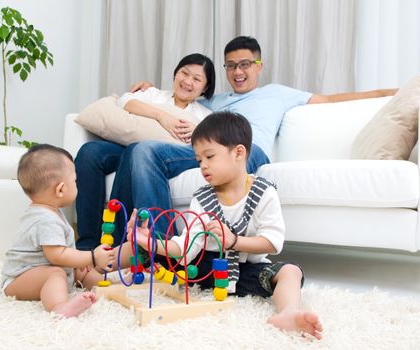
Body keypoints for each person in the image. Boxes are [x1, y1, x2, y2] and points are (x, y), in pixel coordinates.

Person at [103, 36, 397, 242]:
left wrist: (383, 94)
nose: (238, 71)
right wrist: (152, 90)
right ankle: (126, 248)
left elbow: (330, 99)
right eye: (231, 66)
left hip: (250, 152)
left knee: (144, 152)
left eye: (245, 64)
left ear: (259, 65)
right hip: (210, 153)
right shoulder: (212, 102)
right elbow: (185, 97)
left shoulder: (278, 93)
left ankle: (163, 252)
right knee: (139, 151)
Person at [131, 111, 322, 339]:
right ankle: (100, 264)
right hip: (202, 269)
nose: (203, 166)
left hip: (244, 271)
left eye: (210, 157)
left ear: (238, 153)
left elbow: (273, 242)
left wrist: (234, 241)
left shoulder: (264, 193)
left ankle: (289, 312)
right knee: (146, 250)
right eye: (199, 160)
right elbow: (185, 248)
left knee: (290, 271)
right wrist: (151, 243)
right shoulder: (202, 199)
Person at [75, 53, 232, 250]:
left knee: (136, 151)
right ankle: (86, 245)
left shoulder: (203, 116)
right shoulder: (153, 94)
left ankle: (117, 244)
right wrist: (161, 116)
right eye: (184, 73)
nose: (188, 81)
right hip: (124, 144)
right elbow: (125, 102)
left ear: (205, 88)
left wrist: (198, 134)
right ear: (176, 74)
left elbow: (210, 145)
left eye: (197, 79)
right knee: (89, 152)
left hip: (154, 156)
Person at [2, 144, 115, 318]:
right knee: (56, 273)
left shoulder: (50, 211)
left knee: (80, 270)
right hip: (18, 280)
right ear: (61, 189)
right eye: (75, 181)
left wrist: (81, 261)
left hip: (40, 269)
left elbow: (63, 254)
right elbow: (57, 255)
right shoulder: (45, 219)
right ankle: (59, 307)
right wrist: (92, 257)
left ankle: (108, 286)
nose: (77, 185)